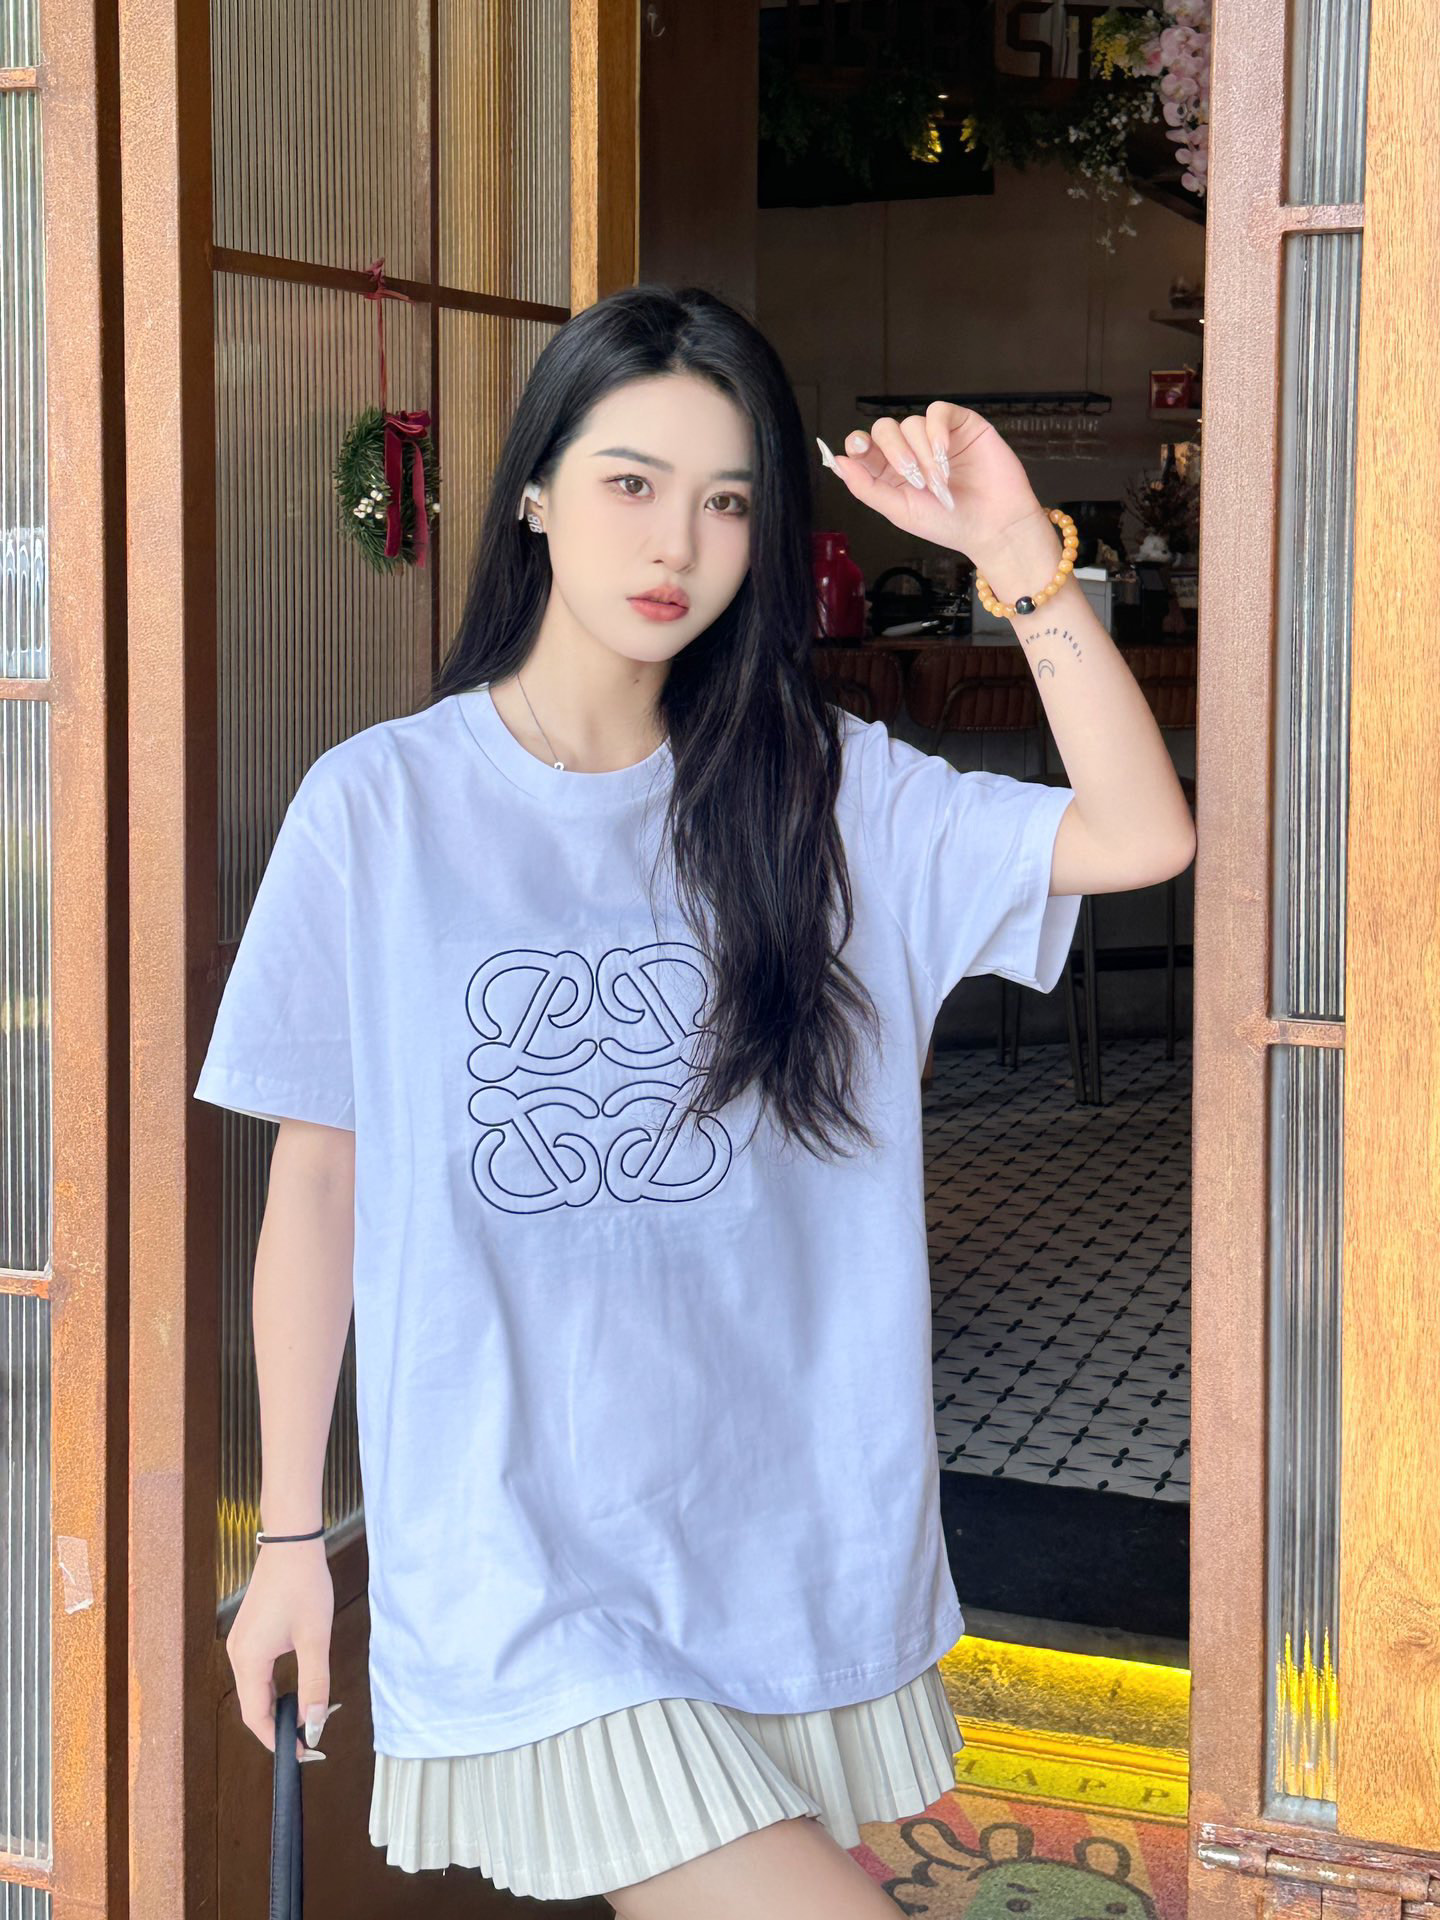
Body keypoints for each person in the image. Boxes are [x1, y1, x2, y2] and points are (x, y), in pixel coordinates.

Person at [195, 282, 1195, 1915]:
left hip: (784, 1537)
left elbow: (1141, 836)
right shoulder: (379, 810)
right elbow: (318, 1186)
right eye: (631, 482)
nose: (678, 542)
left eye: (728, 502)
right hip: (525, 1563)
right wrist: (291, 1540)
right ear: (535, 493)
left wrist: (1019, 555)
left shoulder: (823, 789)